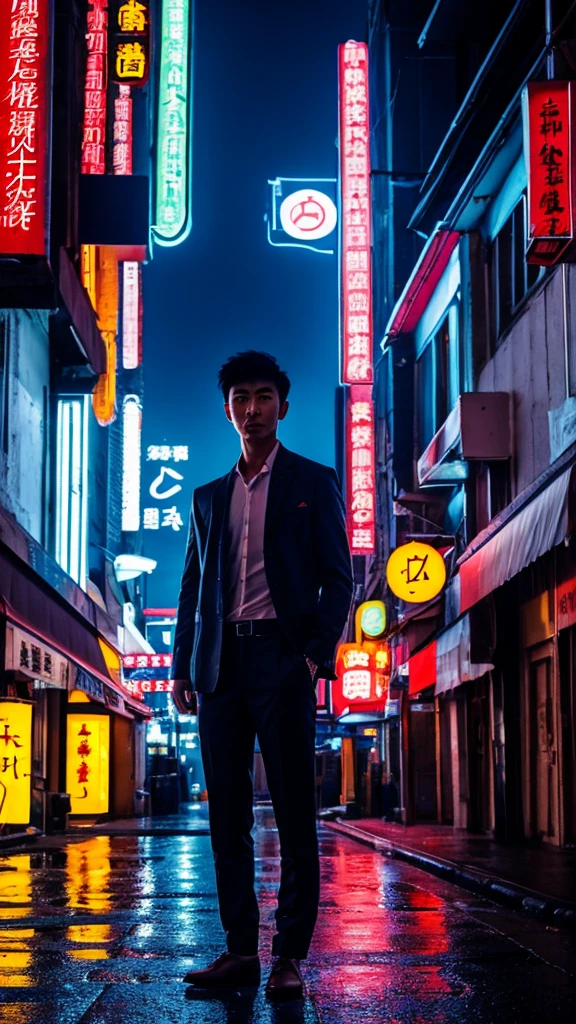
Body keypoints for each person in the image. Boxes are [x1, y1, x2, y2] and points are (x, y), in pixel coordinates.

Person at [172, 350, 353, 1000]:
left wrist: (312, 656)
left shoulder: (313, 481)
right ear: (228, 408)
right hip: (220, 668)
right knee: (228, 817)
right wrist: (181, 667)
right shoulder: (207, 498)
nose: (251, 408)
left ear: (283, 404)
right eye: (240, 397)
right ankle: (241, 951)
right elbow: (193, 585)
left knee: (295, 811)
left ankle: (290, 959)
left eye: (263, 396)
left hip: (282, 659)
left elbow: (341, 580)